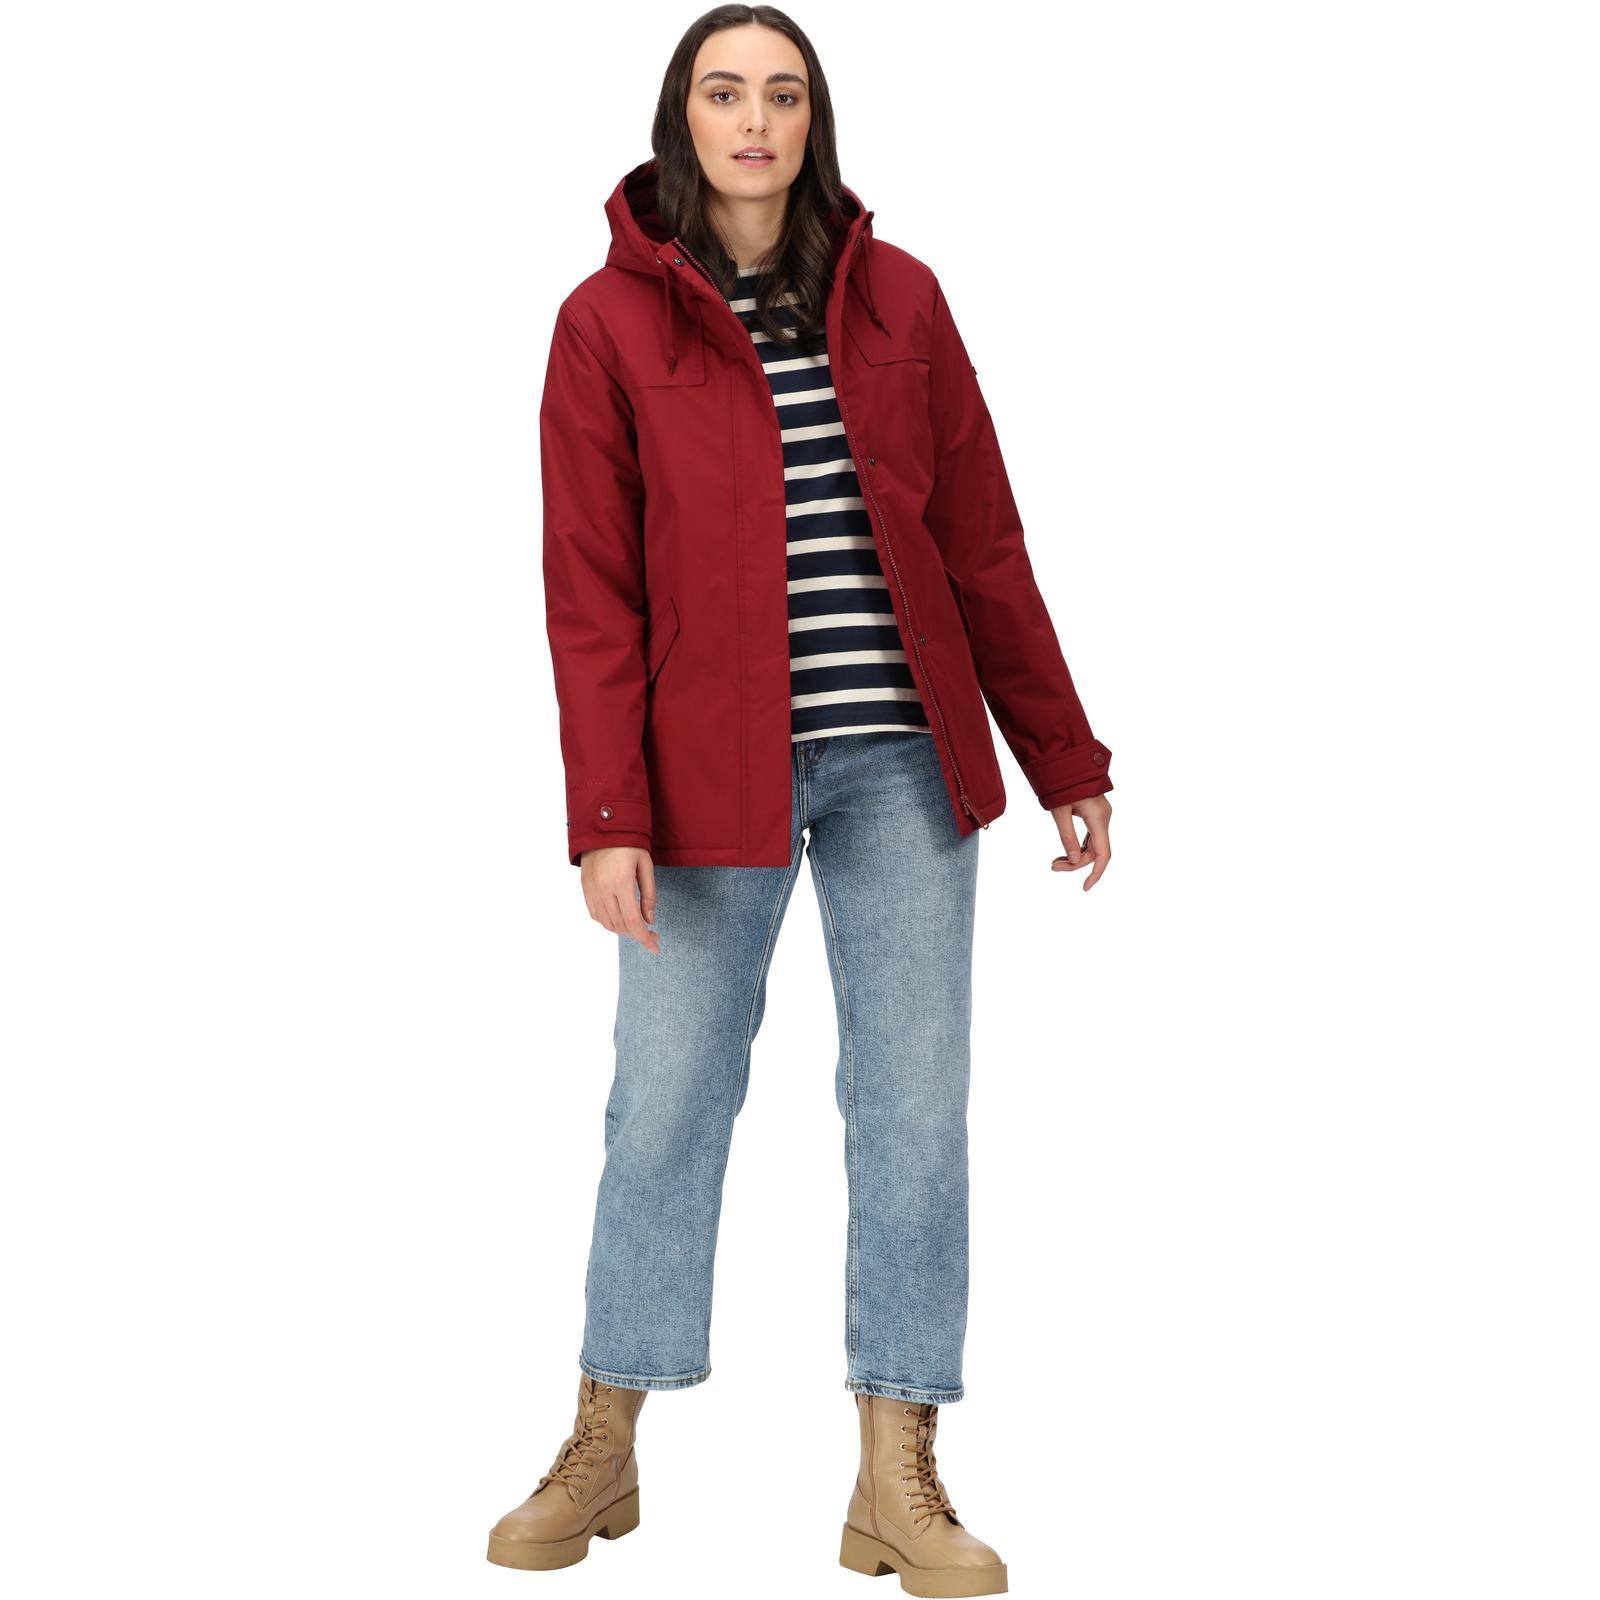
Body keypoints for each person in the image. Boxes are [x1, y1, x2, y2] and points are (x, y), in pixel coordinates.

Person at [487, 8, 1114, 1593]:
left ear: (813, 120)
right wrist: (607, 813)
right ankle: (604, 1436)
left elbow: (982, 541)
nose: (755, 120)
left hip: (904, 759)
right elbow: (588, 589)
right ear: (683, 117)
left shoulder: (903, 299)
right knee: (666, 1103)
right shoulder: (603, 325)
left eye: (783, 94)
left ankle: (897, 1472)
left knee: (912, 1113)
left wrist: (1065, 758)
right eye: (726, 93)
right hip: (701, 778)